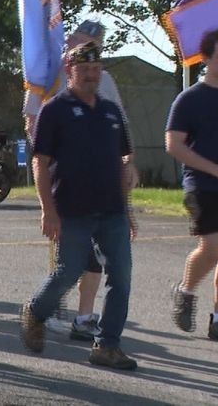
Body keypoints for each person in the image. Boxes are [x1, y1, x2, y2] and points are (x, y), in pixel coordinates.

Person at [19, 40, 137, 370]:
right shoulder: (54, 110)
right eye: (83, 69)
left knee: (122, 277)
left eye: (96, 69)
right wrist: (47, 209)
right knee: (69, 271)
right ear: (70, 71)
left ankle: (107, 344)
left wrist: (127, 210)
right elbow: (40, 163)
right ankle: (36, 311)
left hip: (112, 210)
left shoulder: (111, 111)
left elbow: (124, 161)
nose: (91, 75)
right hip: (71, 210)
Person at [167, 29, 218, 343]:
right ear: (205, 59)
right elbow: (174, 145)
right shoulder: (189, 100)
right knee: (214, 247)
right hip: (201, 185)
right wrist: (214, 169)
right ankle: (186, 290)